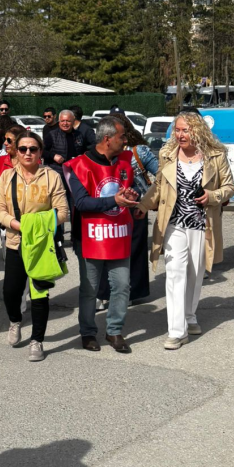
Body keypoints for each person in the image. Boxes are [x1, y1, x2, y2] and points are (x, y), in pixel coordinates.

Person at [136, 112, 234, 349]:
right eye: (177, 129)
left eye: (185, 130)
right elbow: (159, 186)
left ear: (197, 131)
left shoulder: (215, 155)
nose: (180, 135)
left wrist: (213, 196)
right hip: (174, 224)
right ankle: (176, 331)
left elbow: (229, 187)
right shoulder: (167, 154)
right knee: (175, 273)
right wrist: (142, 205)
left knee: (195, 273)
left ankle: (190, 316)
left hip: (203, 224)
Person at [0, 131, 69, 362]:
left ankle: (37, 341)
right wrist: (17, 224)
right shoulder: (7, 177)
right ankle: (15, 320)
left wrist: (36, 227)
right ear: (16, 151)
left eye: (33, 149)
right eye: (23, 148)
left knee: (40, 294)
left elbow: (63, 212)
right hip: (16, 242)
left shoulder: (51, 177)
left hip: (41, 245)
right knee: (10, 292)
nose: (28, 153)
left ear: (40, 152)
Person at [66, 116, 138, 355]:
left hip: (118, 234)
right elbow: (83, 202)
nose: (126, 141)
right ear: (107, 139)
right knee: (90, 289)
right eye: (122, 137)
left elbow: (133, 188)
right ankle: (88, 332)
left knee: (122, 286)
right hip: (89, 237)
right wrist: (114, 200)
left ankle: (114, 330)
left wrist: (131, 196)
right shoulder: (78, 165)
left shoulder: (124, 162)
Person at [97, 113, 159, 305]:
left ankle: (133, 292)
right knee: (110, 250)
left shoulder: (138, 151)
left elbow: (161, 172)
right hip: (111, 205)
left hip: (136, 205)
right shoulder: (103, 153)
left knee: (134, 250)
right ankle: (108, 292)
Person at [0, 123, 25, 202]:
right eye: (4, 139)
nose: (5, 143)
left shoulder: (32, 161)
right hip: (4, 209)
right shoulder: (1, 161)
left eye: (9, 140)